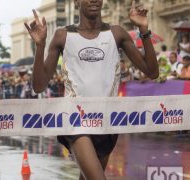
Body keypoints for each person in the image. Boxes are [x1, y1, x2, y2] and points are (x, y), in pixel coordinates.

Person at [24, 0, 159, 179]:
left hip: (107, 123)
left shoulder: (116, 33)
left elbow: (152, 72)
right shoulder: (63, 35)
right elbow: (39, 85)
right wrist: (40, 46)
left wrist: (143, 30)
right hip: (76, 121)